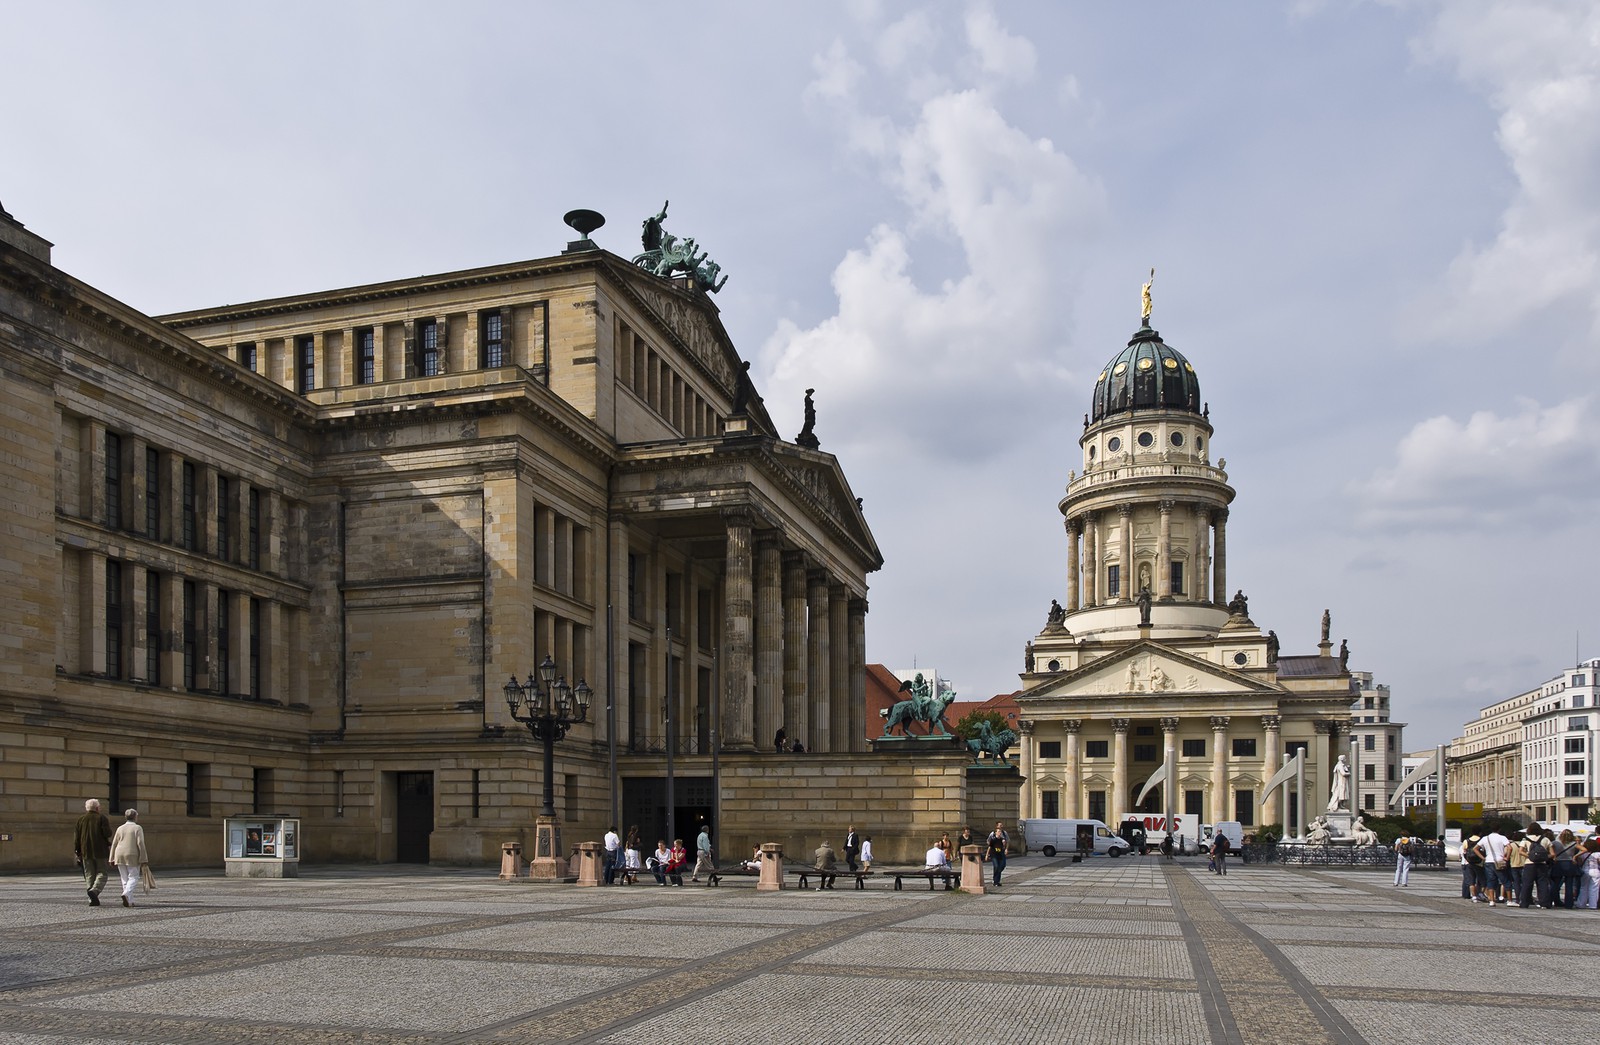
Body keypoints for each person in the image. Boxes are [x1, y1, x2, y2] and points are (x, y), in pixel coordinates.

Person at [73, 798, 113, 906]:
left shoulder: (81, 819)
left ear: (87, 808)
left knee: (89, 874)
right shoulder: (101, 818)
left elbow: (77, 838)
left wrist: (77, 851)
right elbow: (108, 833)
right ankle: (94, 891)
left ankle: (91, 898)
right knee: (102, 873)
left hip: (86, 851)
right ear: (97, 808)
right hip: (101, 851)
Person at [1475, 827, 1511, 905]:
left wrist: (1483, 858)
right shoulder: (1502, 837)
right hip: (1499, 861)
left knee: (1490, 881)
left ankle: (1491, 900)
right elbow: (1510, 848)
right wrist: (1507, 858)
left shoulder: (1485, 838)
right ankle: (1509, 900)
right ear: (1499, 829)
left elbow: (1475, 849)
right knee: (1505, 881)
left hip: (1488, 861)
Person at [1553, 829, 1582, 908]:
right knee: (1569, 885)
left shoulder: (1556, 843)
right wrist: (1575, 856)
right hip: (1569, 863)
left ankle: (1550, 900)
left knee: (1556, 884)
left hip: (1558, 863)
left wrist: (1554, 856)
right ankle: (1569, 904)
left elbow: (1550, 849)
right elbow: (1584, 849)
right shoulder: (1573, 843)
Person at [1462, 834, 1486, 901]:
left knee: (1472, 881)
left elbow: (1464, 852)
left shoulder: (1466, 841)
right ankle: (1481, 894)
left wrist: (1468, 860)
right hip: (1479, 863)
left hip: (1469, 863)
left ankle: (1474, 896)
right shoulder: (1481, 840)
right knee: (1483, 881)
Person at [987, 821, 1009, 888]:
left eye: (1002, 825)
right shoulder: (992, 834)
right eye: (1000, 825)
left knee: (1002, 866)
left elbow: (1008, 841)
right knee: (996, 866)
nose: (1001, 826)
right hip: (994, 853)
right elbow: (988, 842)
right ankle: (996, 880)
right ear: (996, 826)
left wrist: (1006, 848)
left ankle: (996, 878)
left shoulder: (1004, 833)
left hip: (1001, 853)